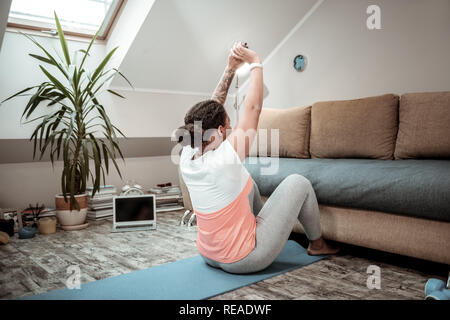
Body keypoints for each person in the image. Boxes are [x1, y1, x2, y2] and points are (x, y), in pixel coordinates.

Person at [176, 42, 339, 274]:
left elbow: (210, 109)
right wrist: (255, 62)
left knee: (247, 181)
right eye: (229, 126)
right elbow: (253, 108)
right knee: (298, 182)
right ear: (221, 130)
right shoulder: (226, 157)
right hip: (244, 260)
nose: (232, 129)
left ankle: (260, 229)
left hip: (209, 255)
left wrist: (230, 68)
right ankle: (318, 244)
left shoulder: (187, 153)